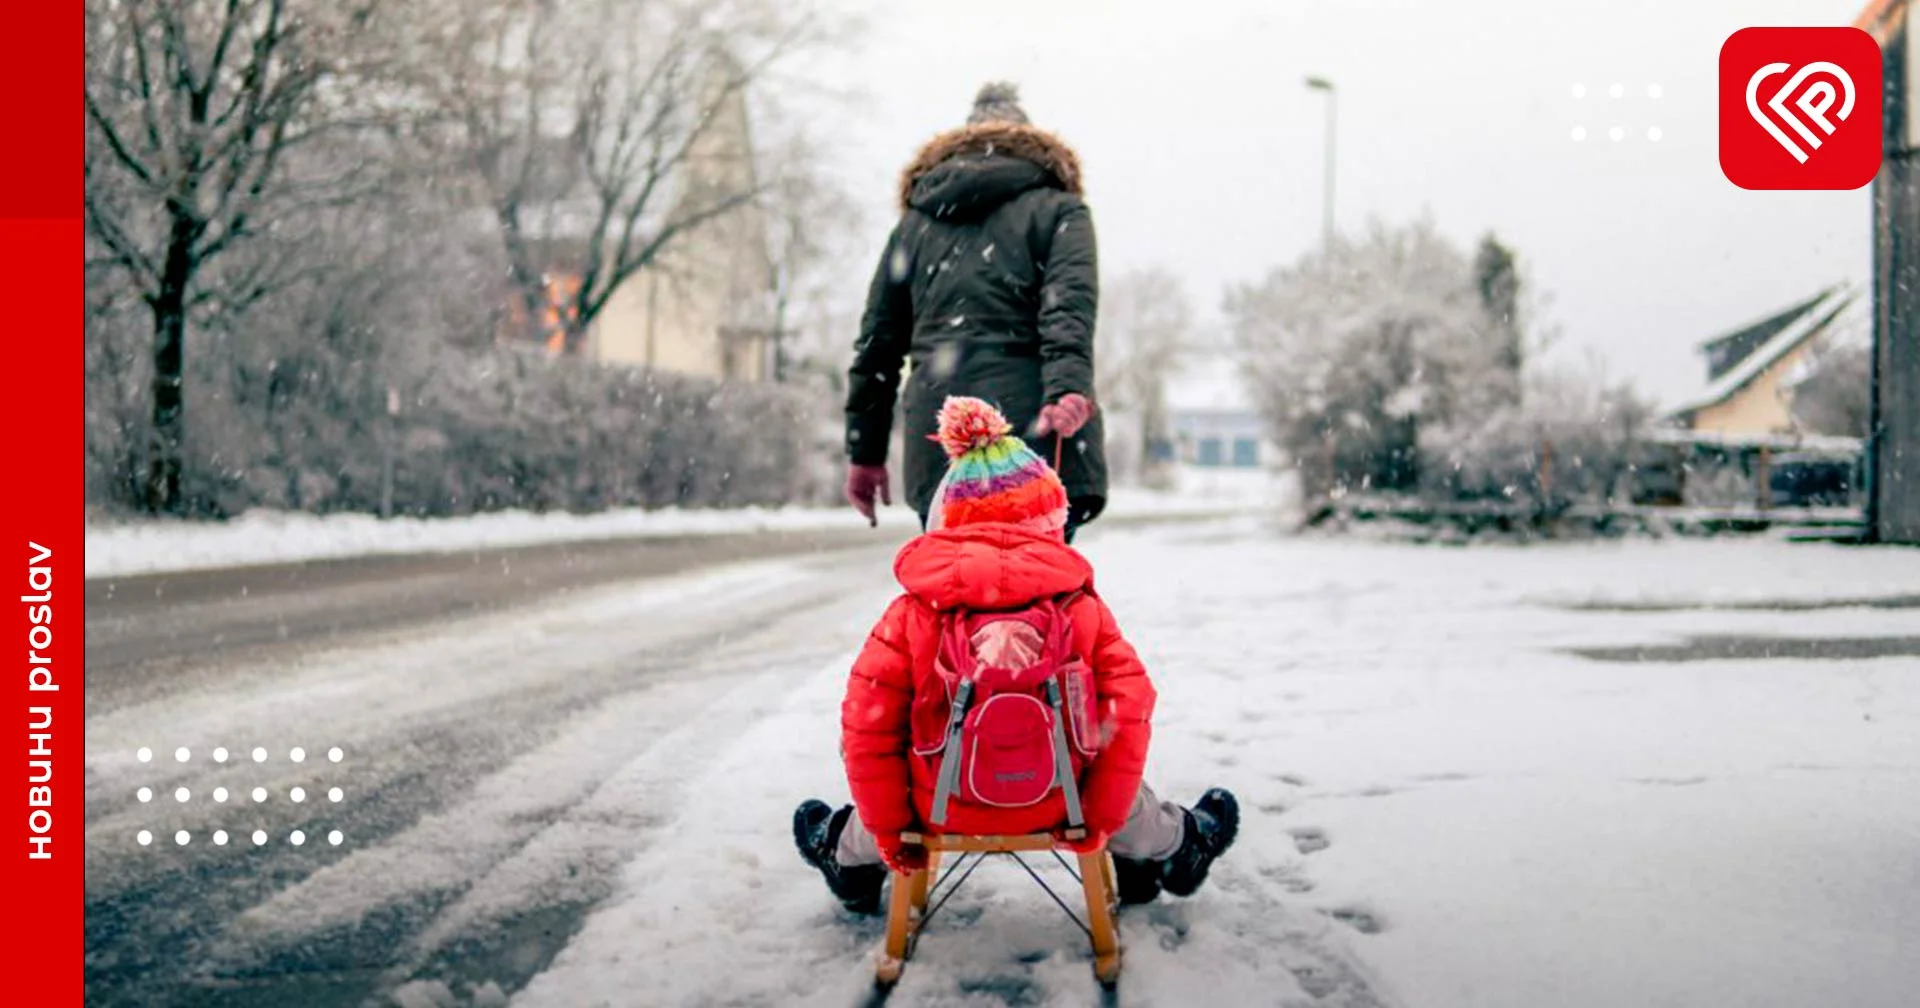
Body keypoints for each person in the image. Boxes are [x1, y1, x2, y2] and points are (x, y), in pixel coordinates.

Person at [794, 398, 1238, 914]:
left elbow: (867, 728)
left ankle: (848, 858)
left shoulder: (911, 614)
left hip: (936, 808)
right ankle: (1174, 846)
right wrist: (1098, 819)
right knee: (1112, 768)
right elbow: (1129, 708)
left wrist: (892, 833)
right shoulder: (1081, 611)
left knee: (888, 749)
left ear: (947, 519)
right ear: (1051, 521)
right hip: (1060, 803)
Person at [843, 82, 1107, 542]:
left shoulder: (915, 224)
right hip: (1032, 427)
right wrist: (1067, 389)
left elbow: (878, 345)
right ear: (1031, 144)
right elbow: (1068, 310)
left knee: (952, 587)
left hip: (941, 431)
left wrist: (866, 452)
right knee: (1038, 590)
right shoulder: (1060, 211)